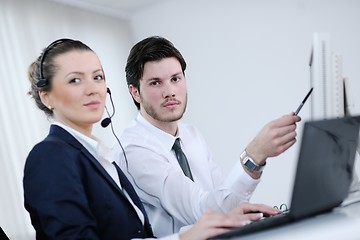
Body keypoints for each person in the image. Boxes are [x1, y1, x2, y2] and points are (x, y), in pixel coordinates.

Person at [23, 38, 281, 240]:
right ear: (47, 97)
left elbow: (219, 205)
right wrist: (253, 155)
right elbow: (205, 210)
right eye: (75, 80)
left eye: (98, 77)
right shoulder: (52, 157)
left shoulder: (102, 159)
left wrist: (239, 215)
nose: (92, 88)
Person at [117, 36, 301, 237]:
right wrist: (254, 155)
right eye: (155, 83)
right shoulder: (133, 152)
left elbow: (225, 204)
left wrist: (254, 216)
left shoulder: (191, 134)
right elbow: (205, 213)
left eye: (175, 79)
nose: (169, 91)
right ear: (135, 92)